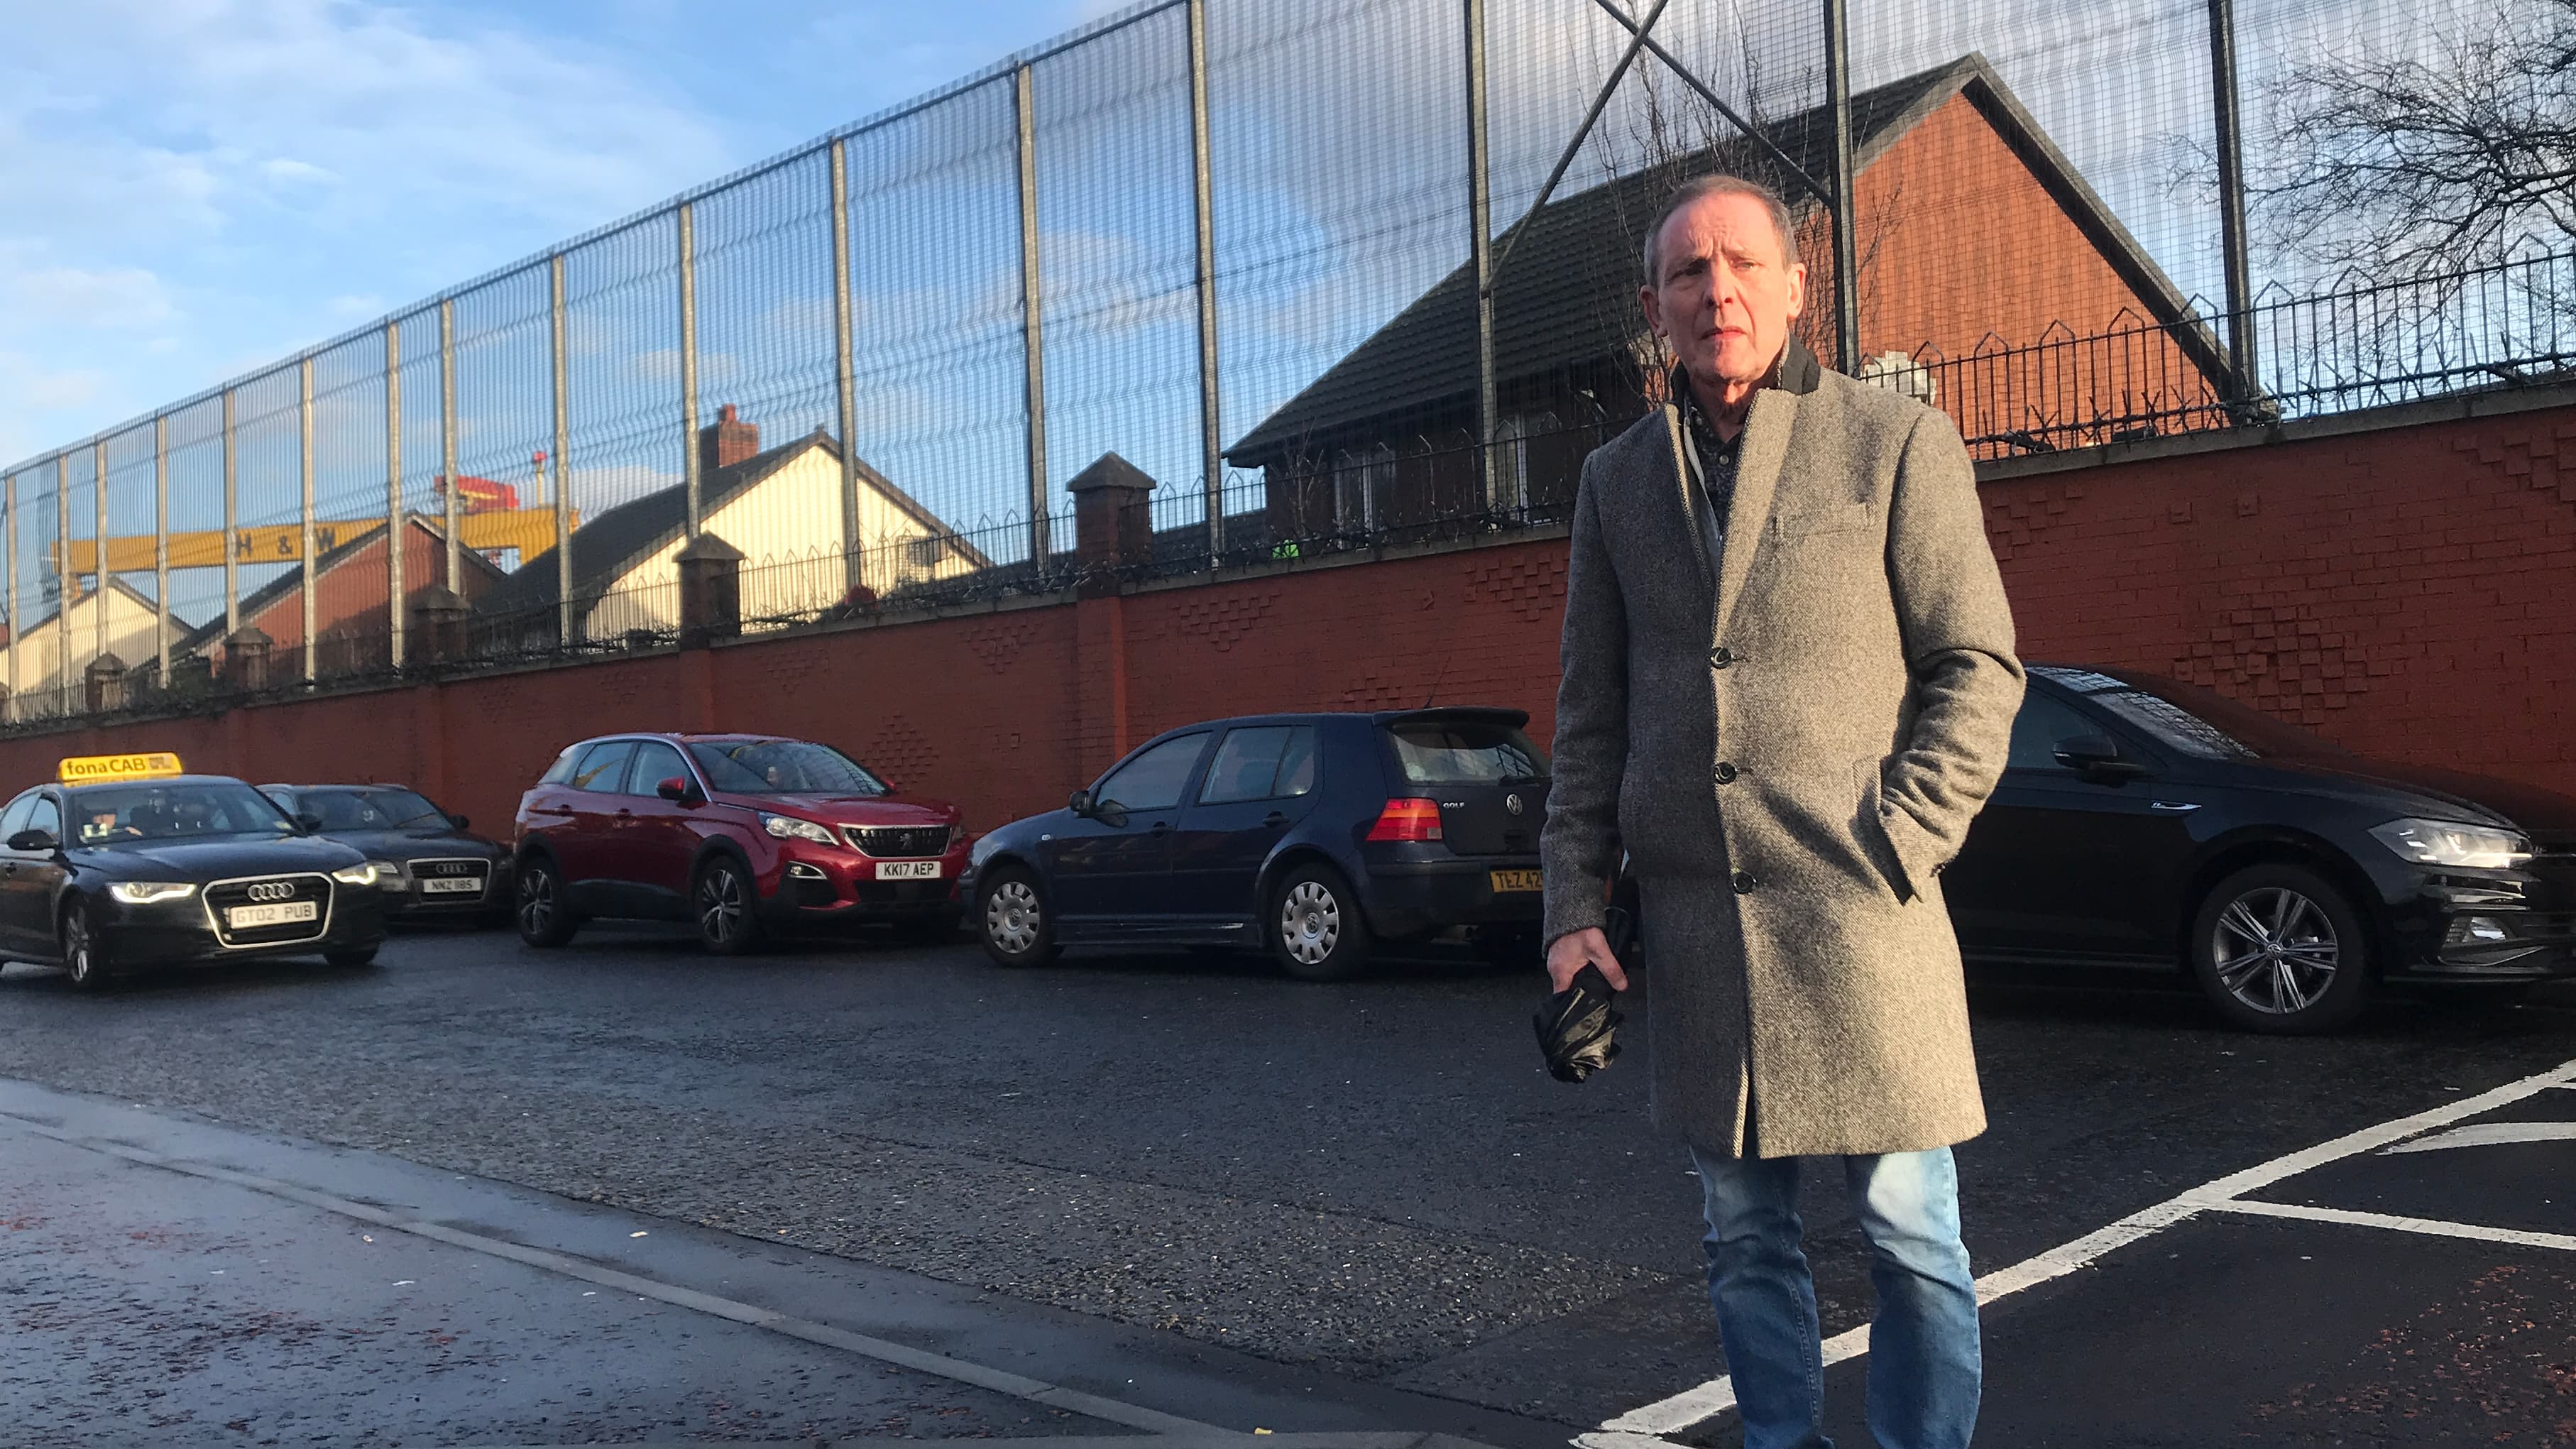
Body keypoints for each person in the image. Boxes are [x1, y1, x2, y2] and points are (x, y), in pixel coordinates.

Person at [1540, 175, 2023, 1449]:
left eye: (1742, 265)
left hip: (1866, 916)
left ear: (1795, 286)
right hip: (1703, 937)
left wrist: (1902, 831)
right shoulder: (1613, 480)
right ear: (1654, 307)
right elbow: (1589, 715)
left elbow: (1976, 664)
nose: (1718, 292)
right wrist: (1572, 908)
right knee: (1741, 1235)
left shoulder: (1894, 441)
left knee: (1914, 1234)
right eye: (1689, 275)